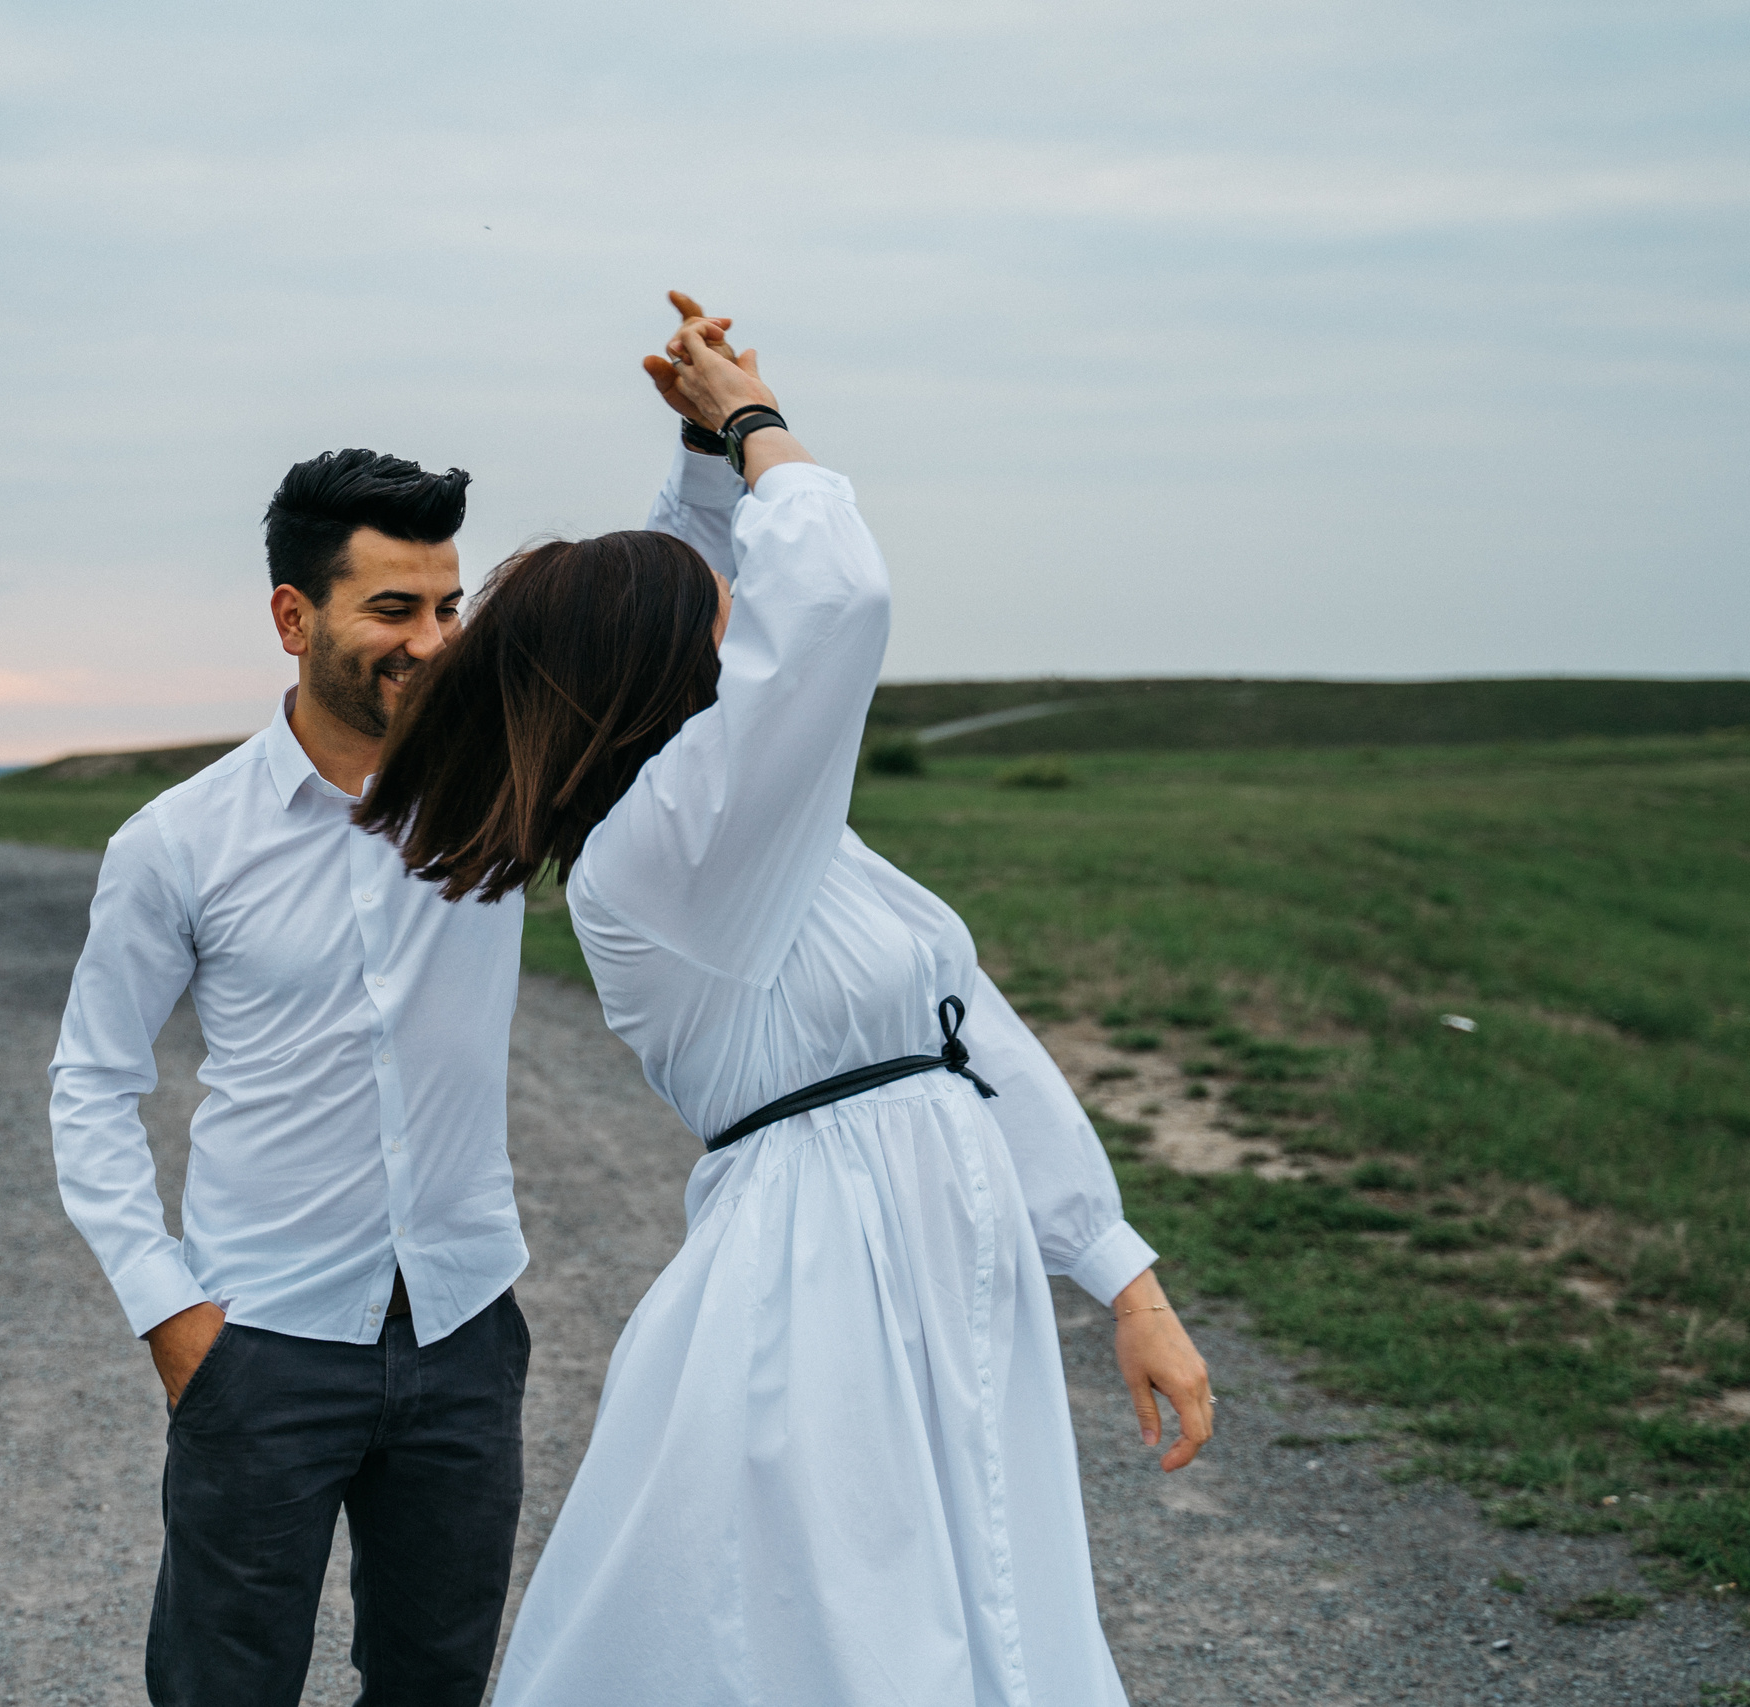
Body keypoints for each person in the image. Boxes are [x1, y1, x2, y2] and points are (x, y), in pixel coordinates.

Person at [356, 302, 1215, 1705]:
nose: (741, 619)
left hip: (931, 1260)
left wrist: (1122, 1272)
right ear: (666, 678)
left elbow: (968, 1035)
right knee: (849, 1646)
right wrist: (764, 432)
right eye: (720, 624)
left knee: (976, 1607)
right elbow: (837, 601)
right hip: (825, 1282)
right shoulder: (666, 857)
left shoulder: (774, 841)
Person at [47, 449, 531, 1707]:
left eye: (447, 606)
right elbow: (92, 1085)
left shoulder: (499, 788)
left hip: (465, 1330)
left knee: (436, 1683)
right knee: (224, 1685)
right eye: (392, 609)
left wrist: (719, 446)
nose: (431, 641)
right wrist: (169, 1312)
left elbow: (646, 617)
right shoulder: (176, 844)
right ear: (291, 617)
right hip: (257, 1342)